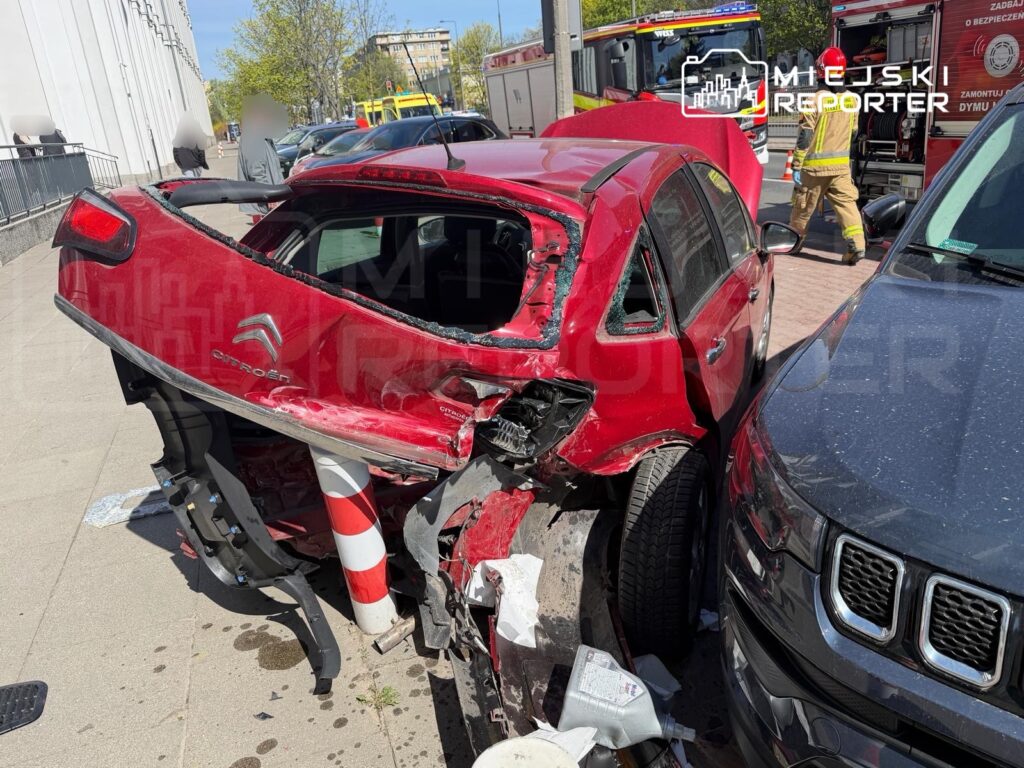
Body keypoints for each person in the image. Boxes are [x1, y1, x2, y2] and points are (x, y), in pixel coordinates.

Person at [789, 47, 866, 266]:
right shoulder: (852, 100)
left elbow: (805, 135)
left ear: (820, 71)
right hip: (841, 168)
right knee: (847, 206)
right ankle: (858, 245)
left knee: (803, 208)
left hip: (814, 169)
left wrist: (797, 165)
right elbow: (853, 132)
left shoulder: (814, 100)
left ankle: (793, 242)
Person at [237, 95, 285, 223]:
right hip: (266, 203)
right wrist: (269, 196)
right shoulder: (253, 135)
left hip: (270, 200)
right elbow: (256, 171)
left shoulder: (261, 134)